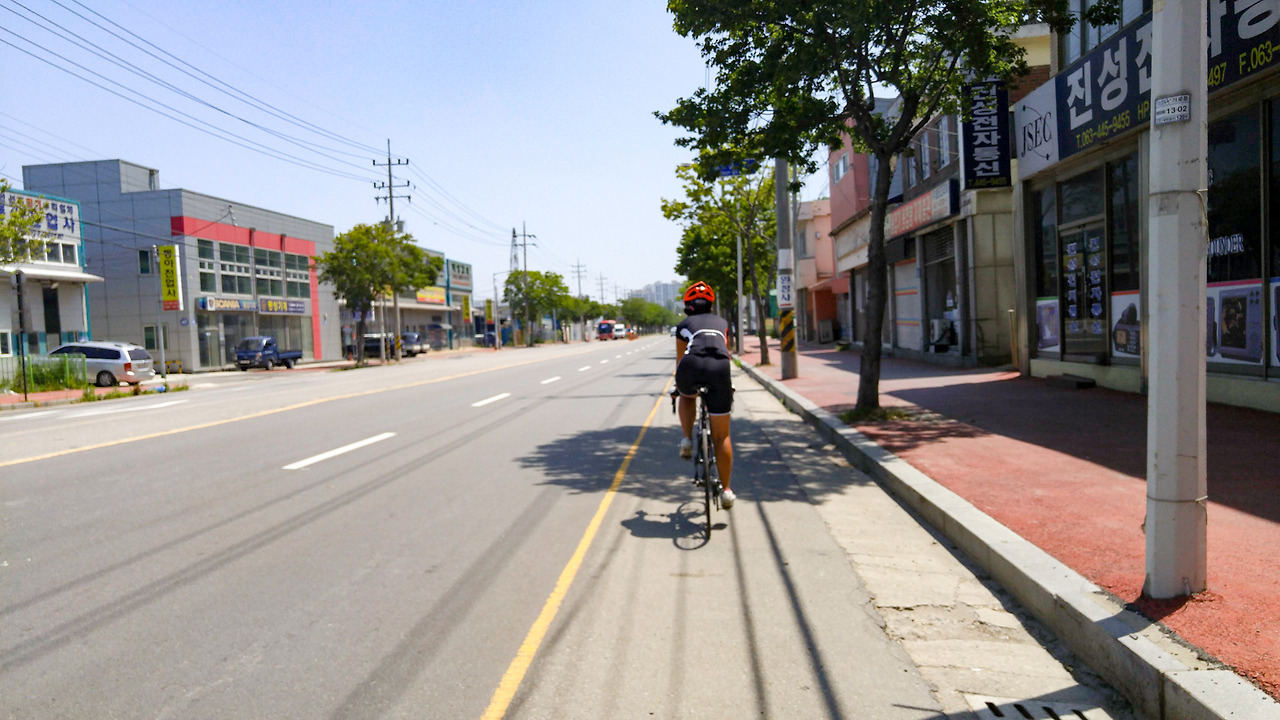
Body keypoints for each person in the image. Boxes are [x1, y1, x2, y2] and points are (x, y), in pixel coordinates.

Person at [673, 280, 735, 509]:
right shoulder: (723, 323)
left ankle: (686, 439)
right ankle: (727, 491)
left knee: (686, 395)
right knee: (722, 436)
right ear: (711, 305)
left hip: (691, 367)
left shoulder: (683, 325)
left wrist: (677, 386)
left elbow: (680, 360)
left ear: (688, 306)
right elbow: (725, 352)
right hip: (720, 369)